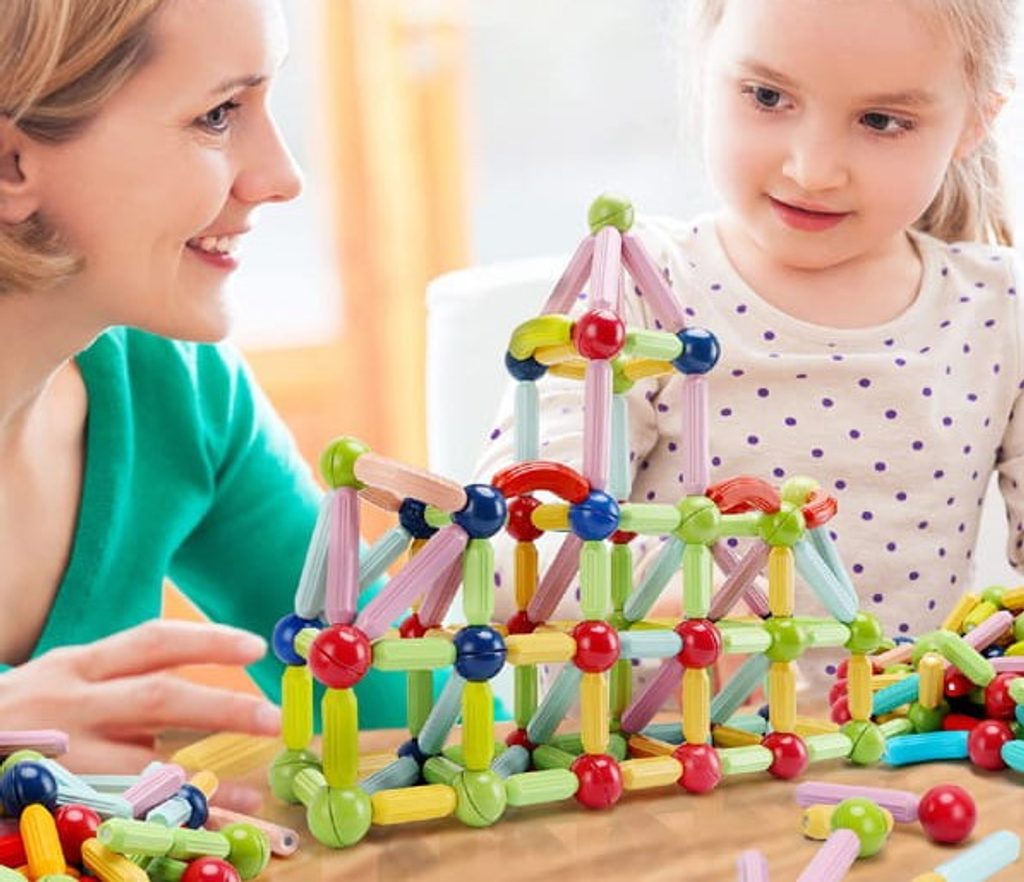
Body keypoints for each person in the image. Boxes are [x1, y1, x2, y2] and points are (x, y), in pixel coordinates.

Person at [475, 0, 1022, 696]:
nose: (813, 170)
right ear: (706, 66)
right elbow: (504, 549)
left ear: (976, 120)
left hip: (895, 755)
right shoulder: (633, 290)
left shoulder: (1002, 309)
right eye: (767, 97)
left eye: (883, 121)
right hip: (646, 753)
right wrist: (683, 591)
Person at [0, 0, 406, 773]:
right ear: (10, 164)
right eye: (218, 115)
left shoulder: (179, 388)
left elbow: (413, 710)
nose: (282, 178)